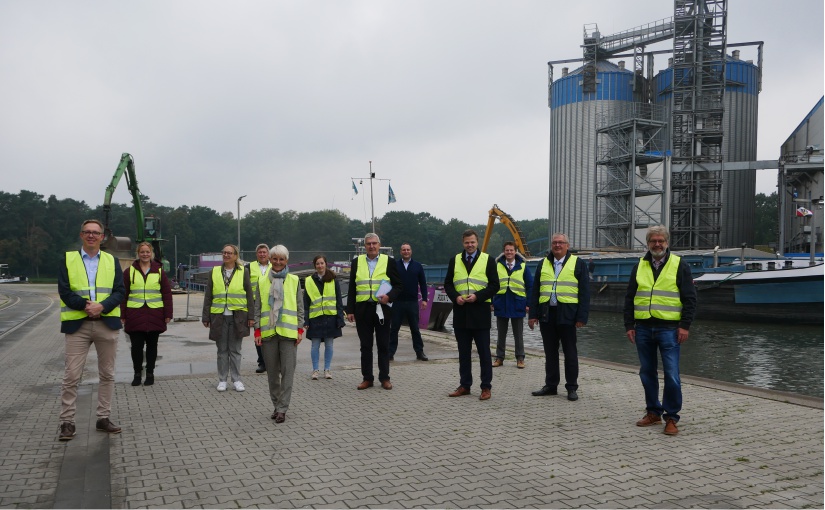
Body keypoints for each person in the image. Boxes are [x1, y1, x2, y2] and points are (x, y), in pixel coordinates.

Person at [624, 225, 696, 436]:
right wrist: (629, 325)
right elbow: (630, 297)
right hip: (643, 327)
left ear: (667, 243)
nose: (657, 244)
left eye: (660, 241)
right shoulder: (640, 265)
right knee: (647, 372)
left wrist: (685, 325)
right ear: (647, 244)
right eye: (653, 241)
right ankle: (653, 411)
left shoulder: (679, 265)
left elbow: (690, 298)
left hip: (669, 329)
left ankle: (671, 417)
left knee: (672, 374)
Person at [57, 219, 126, 441]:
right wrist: (87, 306)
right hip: (78, 324)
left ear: (102, 237)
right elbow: (64, 291)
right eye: (87, 232)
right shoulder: (68, 259)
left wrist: (102, 307)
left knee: (107, 374)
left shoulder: (111, 261)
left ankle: (103, 418)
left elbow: (119, 291)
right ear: (81, 235)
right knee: (71, 376)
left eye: (96, 233)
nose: (91, 236)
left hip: (106, 324)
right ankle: (67, 422)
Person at [528, 233, 590, 402]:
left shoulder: (578, 264)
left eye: (561, 243)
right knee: (550, 353)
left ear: (567, 246)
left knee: (570, 352)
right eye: (555, 243)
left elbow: (585, 292)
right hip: (547, 313)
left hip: (568, 314)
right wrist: (533, 314)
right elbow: (535, 291)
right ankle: (551, 385)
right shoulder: (543, 264)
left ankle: (571, 387)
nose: (557, 245)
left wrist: (582, 317)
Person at [444, 229, 500, 401]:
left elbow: (494, 285)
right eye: (467, 242)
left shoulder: (488, 260)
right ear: (463, 243)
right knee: (463, 353)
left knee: (484, 353)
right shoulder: (455, 260)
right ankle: (465, 385)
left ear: (478, 243)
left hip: (480, 313)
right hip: (461, 313)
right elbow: (448, 284)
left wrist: (478, 296)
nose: (470, 245)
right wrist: (456, 297)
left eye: (472, 242)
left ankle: (486, 387)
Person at [346, 233, 402, 390]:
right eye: (368, 244)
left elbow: (398, 285)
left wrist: (389, 297)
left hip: (382, 308)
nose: (371, 246)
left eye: (374, 243)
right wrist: (350, 310)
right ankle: (367, 378)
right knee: (365, 346)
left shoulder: (388, 261)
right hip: (363, 309)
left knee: (383, 345)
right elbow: (352, 287)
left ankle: (385, 378)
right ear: (365, 246)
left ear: (379, 244)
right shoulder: (357, 262)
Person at [255, 245, 304, 423]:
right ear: (269, 259)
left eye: (281, 259)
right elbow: (257, 309)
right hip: (268, 333)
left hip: (289, 333)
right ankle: (276, 405)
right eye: (274, 258)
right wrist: (257, 332)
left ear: (286, 261)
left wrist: (300, 329)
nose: (277, 262)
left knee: (288, 372)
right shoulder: (262, 282)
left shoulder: (294, 280)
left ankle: (283, 408)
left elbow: (300, 308)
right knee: (272, 374)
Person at [202, 244, 254, 392]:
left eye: (229, 253)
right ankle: (222, 380)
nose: (226, 255)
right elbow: (208, 296)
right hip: (219, 317)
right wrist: (206, 316)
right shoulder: (215, 272)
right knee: (222, 350)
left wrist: (251, 317)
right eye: (224, 253)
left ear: (235, 256)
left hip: (238, 317)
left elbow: (250, 296)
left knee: (235, 350)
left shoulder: (244, 272)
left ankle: (237, 379)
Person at [121, 241, 173, 387]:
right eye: (142, 252)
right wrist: (122, 314)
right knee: (136, 347)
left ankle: (150, 374)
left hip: (155, 313)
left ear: (152, 254)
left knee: (152, 346)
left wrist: (168, 314)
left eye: (147, 252)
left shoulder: (159, 271)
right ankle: (137, 374)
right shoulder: (129, 272)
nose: (145, 254)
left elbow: (166, 294)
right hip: (135, 314)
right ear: (138, 254)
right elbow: (123, 295)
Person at [492, 241, 533, 369]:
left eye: (511, 250)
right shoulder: (497, 266)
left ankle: (520, 358)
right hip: (501, 303)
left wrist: (529, 304)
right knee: (501, 333)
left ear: (515, 252)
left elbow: (530, 286)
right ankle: (499, 358)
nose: (509, 252)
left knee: (518, 334)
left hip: (517, 303)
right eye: (507, 250)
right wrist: (492, 302)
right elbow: (491, 284)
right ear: (503, 252)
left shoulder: (523, 267)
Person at [303, 254, 345, 380]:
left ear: (326, 264)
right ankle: (315, 370)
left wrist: (340, 318)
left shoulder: (333, 279)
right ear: (314, 266)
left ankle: (327, 370)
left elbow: (339, 301)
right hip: (315, 318)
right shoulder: (309, 281)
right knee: (315, 345)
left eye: (322, 263)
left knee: (329, 345)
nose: (320, 265)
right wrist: (306, 320)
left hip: (330, 317)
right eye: (317, 264)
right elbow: (306, 303)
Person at [389, 243, 429, 362]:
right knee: (394, 328)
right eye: (403, 250)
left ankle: (419, 352)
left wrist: (425, 299)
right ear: (400, 252)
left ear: (411, 251)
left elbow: (422, 283)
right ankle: (390, 353)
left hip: (412, 302)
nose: (406, 251)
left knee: (415, 329)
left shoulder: (417, 266)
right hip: (397, 302)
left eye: (408, 249)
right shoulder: (394, 265)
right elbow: (388, 282)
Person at [247, 243, 271, 374]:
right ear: (257, 254)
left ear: (268, 254)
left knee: (272, 333)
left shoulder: (275, 266)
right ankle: (262, 362)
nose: (262, 254)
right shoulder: (249, 267)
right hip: (255, 304)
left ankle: (272, 361)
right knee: (258, 333)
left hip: (270, 303)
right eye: (260, 252)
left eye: (264, 252)